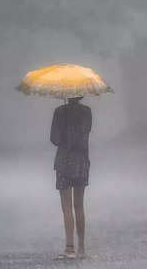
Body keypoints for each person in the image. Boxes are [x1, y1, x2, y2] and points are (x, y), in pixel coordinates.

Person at [50, 96, 92, 259]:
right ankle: (81, 248)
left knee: (66, 206)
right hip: (81, 161)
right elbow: (85, 133)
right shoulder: (87, 112)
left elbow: (54, 139)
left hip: (64, 162)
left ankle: (69, 248)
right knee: (79, 205)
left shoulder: (59, 112)